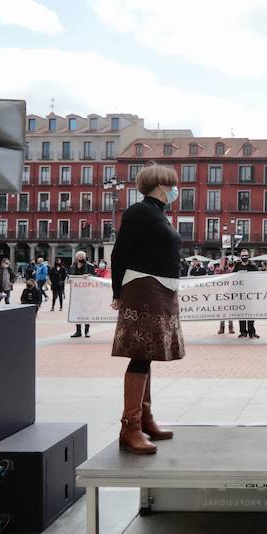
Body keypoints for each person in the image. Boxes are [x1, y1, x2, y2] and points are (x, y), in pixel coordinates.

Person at [109, 164, 185, 455]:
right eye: (172, 184)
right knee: (141, 353)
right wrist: (117, 292)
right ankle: (130, 427)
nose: (175, 189)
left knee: (148, 352)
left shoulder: (156, 214)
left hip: (160, 289)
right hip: (143, 288)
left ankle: (145, 419)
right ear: (160, 185)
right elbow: (120, 253)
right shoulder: (139, 212)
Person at [232, 249, 260, 338]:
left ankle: (252, 332)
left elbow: (258, 278)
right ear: (240, 257)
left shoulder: (253, 267)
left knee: (251, 313)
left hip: (250, 293)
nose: (244, 257)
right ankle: (243, 332)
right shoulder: (237, 266)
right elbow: (232, 277)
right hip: (240, 294)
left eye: (246, 256)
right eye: (243, 256)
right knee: (241, 313)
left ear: (248, 256)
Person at [69, 251, 94, 338]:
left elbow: (96, 277)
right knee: (77, 312)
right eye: (81, 257)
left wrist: (89, 275)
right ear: (77, 258)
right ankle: (78, 331)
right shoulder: (72, 266)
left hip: (87, 293)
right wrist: (70, 280)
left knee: (87, 312)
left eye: (84, 257)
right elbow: (70, 277)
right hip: (76, 293)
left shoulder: (90, 266)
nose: (83, 259)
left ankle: (86, 331)